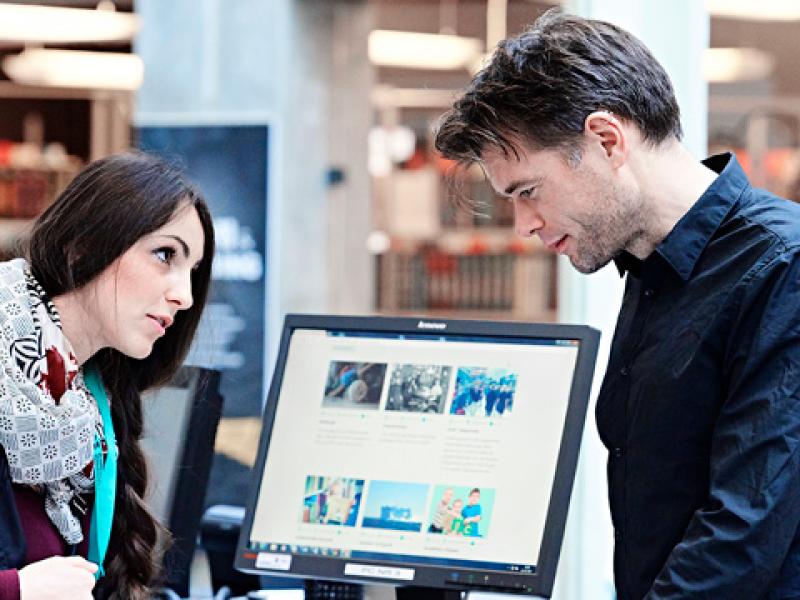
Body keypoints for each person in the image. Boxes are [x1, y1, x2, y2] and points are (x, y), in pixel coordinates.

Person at [435, 9, 800, 599]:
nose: (525, 224)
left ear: (607, 140)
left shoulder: (784, 266)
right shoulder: (648, 266)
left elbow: (743, 531)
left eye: (528, 192)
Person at [0, 152, 214, 600]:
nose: (185, 296)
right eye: (164, 254)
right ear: (81, 245)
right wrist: (16, 590)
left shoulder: (92, 400)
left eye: (191, 270)